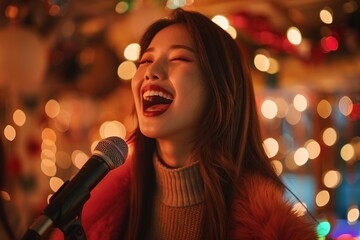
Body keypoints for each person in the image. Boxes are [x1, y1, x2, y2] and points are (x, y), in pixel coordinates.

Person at [81, 8, 318, 239]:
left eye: (179, 58)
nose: (151, 71)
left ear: (220, 88)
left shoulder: (272, 231)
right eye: (145, 60)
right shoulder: (103, 211)